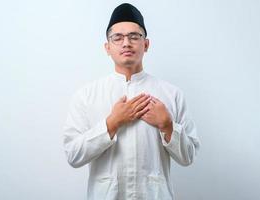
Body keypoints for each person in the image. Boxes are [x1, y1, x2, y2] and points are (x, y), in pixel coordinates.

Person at [63, 3, 200, 200]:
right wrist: (112, 123)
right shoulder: (86, 95)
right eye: (118, 37)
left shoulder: (171, 94)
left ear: (146, 44)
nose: (126, 43)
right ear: (107, 47)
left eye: (134, 36)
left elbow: (189, 157)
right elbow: (73, 155)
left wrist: (168, 126)